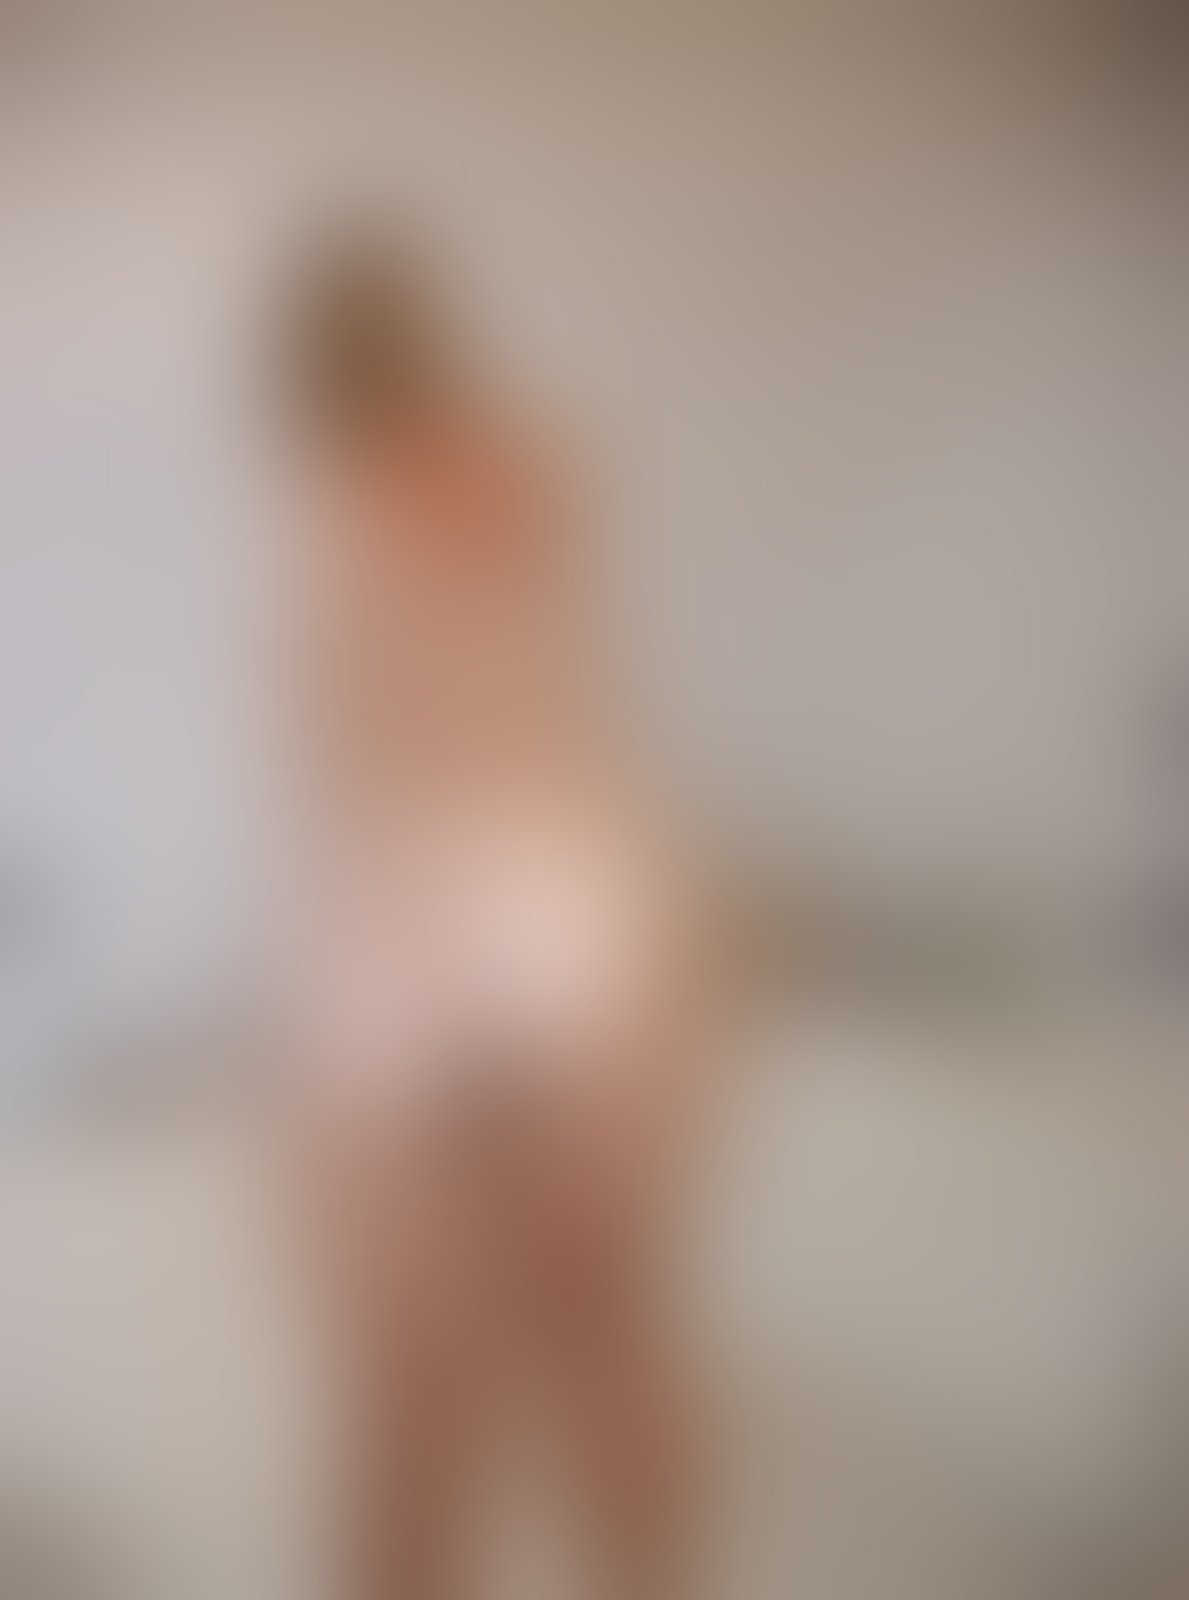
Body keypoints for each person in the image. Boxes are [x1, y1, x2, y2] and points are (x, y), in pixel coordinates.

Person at [274, 233, 719, 1599]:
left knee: (420, 1390)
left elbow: (355, 757)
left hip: (450, 912)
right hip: (561, 903)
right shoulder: (526, 464)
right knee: (588, 1332)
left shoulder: (368, 505)